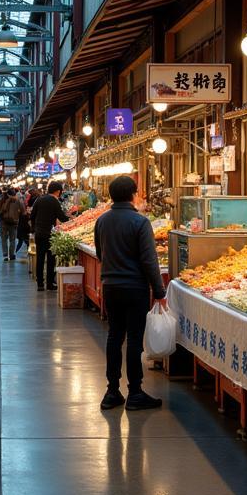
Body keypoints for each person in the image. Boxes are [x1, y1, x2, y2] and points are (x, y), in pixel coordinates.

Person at [94, 175, 167, 412]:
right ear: (134, 194)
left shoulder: (102, 221)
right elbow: (149, 260)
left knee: (115, 336)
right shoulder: (140, 222)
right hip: (134, 287)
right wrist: (159, 290)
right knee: (134, 339)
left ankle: (112, 391)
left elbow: (100, 253)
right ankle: (135, 392)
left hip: (111, 287)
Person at [31, 180, 67, 291]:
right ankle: (50, 284)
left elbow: (32, 215)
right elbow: (61, 217)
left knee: (40, 258)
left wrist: (34, 228)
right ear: (57, 191)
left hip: (39, 233)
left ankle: (40, 284)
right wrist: (70, 218)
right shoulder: (55, 201)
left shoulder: (39, 199)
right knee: (51, 258)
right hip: (50, 234)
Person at [0, 187, 24, 261]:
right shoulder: (18, 201)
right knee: (12, 239)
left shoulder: (2, 200)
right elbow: (23, 211)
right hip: (14, 222)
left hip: (3, 221)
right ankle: (12, 255)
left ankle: (5, 255)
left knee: (4, 239)